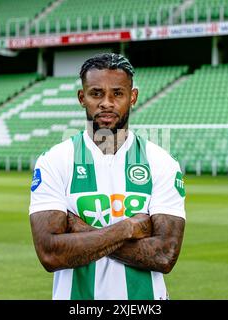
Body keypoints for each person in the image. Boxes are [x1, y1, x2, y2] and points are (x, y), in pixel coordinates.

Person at [29, 53, 186, 300]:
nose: (107, 103)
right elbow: (50, 254)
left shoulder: (162, 162)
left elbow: (165, 255)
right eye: (96, 93)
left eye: (117, 93)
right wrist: (127, 228)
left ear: (132, 97)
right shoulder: (54, 161)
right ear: (82, 98)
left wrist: (82, 230)